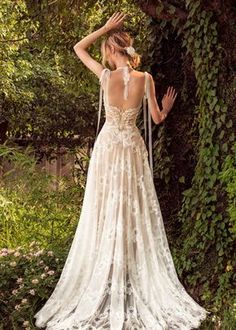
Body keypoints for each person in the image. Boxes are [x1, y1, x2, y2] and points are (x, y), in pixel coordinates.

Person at [34, 11, 210, 330]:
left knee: (104, 209)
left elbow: (77, 48)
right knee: (133, 209)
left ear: (112, 51)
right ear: (126, 49)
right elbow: (156, 119)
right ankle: (126, 272)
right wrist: (167, 108)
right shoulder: (146, 79)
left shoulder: (104, 76)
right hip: (131, 147)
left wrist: (103, 27)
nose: (104, 54)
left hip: (108, 148)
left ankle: (110, 274)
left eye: (106, 49)